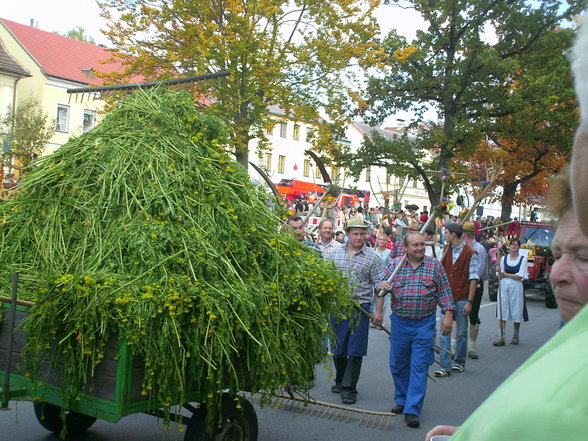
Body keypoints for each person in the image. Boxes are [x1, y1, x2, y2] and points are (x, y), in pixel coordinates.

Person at [425, 17, 588, 438]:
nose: (556, 272)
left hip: (471, 295)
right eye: (563, 253)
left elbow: (545, 421)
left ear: (462, 234)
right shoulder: (574, 342)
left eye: (583, 257)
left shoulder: (563, 410)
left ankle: (464, 353)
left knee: (471, 327)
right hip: (456, 295)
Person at [376, 231, 455, 428]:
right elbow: (379, 288)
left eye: (422, 244)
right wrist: (382, 286)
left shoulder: (434, 265)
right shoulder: (395, 266)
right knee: (398, 364)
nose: (420, 248)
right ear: (406, 248)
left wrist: (448, 316)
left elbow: (445, 292)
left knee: (419, 366)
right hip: (401, 324)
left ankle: (412, 409)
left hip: (424, 324)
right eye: (415, 245)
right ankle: (402, 400)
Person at [327, 218, 384, 405]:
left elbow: (379, 287)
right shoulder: (334, 253)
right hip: (338, 307)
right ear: (347, 234)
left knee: (355, 350)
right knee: (338, 349)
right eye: (355, 233)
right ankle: (340, 379)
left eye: (362, 233)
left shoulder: (373, 258)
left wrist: (379, 313)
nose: (359, 237)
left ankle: (349, 389)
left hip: (361, 308)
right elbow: (326, 280)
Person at [436, 222, 478, 376]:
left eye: (446, 232)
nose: (444, 235)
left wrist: (470, 301)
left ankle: (459, 362)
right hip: (446, 298)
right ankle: (445, 365)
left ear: (454, 234)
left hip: (461, 297)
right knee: (444, 330)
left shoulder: (470, 252)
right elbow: (440, 271)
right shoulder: (445, 249)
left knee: (461, 332)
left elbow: (473, 278)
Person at [492, 238, 527, 346]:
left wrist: (505, 274)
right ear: (509, 246)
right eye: (512, 245)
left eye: (516, 245)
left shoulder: (523, 259)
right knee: (503, 309)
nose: (513, 246)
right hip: (504, 286)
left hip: (516, 287)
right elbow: (499, 274)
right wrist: (498, 270)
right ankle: (501, 336)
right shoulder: (504, 258)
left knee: (516, 309)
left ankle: (515, 335)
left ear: (519, 247)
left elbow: (520, 275)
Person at [462, 222, 488, 359]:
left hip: (475, 285)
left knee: (473, 316)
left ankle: (472, 346)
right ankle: (456, 345)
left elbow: (480, 272)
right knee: (458, 314)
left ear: (464, 234)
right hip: (461, 285)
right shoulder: (459, 247)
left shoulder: (479, 249)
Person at [371, 233, 392, 327]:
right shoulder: (372, 251)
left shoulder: (389, 253)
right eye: (380, 239)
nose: (382, 241)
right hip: (373, 278)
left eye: (384, 240)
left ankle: (380, 320)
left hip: (384, 279)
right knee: (372, 299)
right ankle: (373, 318)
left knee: (382, 299)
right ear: (377, 241)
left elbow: (389, 266)